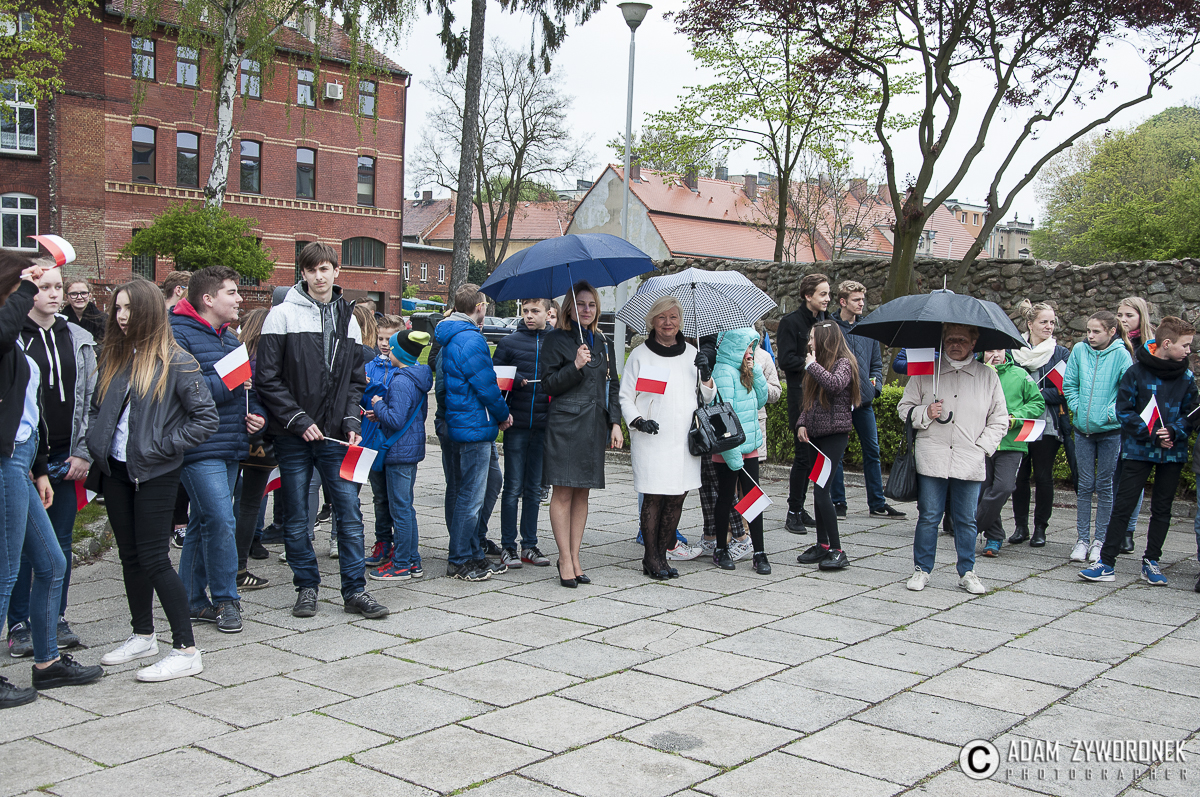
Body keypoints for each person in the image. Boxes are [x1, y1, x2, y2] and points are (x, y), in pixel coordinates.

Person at [89, 278, 218, 681]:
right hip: (116, 470)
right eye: (117, 308)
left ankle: (186, 649)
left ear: (148, 310)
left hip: (156, 472)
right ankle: (143, 635)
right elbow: (97, 409)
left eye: (129, 308)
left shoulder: (177, 361)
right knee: (130, 557)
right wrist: (95, 442)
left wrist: (163, 447)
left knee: (154, 559)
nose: (121, 316)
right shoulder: (115, 356)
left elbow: (205, 419)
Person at [255, 242, 388, 620]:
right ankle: (306, 587)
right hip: (293, 436)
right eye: (311, 269)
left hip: (335, 437)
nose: (318, 276)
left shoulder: (348, 318)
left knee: (349, 513)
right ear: (302, 273)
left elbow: (355, 380)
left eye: (325, 268)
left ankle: (355, 590)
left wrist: (350, 421)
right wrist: (298, 420)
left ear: (336, 271)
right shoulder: (281, 315)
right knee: (298, 517)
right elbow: (267, 378)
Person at [0, 254, 103, 708]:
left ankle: (47, 663)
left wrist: (39, 466)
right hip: (5, 461)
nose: (50, 292)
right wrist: (25, 285)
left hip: (23, 459)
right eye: (37, 287)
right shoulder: (9, 334)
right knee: (7, 572)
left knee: (52, 562)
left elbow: (30, 411)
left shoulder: (50, 339)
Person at [170, 267, 264, 635]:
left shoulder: (229, 338)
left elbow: (246, 389)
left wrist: (255, 415)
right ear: (208, 299)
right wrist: (235, 379)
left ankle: (191, 601)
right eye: (232, 292)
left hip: (228, 443)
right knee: (222, 520)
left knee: (203, 522)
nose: (240, 299)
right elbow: (187, 391)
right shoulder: (177, 334)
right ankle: (227, 599)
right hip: (197, 446)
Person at [1080, 317, 1196, 586]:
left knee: (1162, 509)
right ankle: (1106, 562)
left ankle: (1152, 561)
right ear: (1167, 344)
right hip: (1139, 449)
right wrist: (1153, 434)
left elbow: (1192, 411)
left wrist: (1174, 431)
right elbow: (1124, 410)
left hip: (1172, 451)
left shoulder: (1187, 376)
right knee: (1124, 505)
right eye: (1185, 345)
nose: (1189, 350)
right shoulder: (1137, 372)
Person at [897, 324, 1009, 595]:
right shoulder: (927, 372)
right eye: (949, 340)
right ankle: (922, 569)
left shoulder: (987, 376)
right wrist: (925, 412)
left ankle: (967, 571)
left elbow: (999, 418)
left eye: (961, 340)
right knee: (929, 516)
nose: (955, 345)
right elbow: (904, 408)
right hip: (932, 455)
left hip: (969, 457)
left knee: (966, 519)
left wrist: (982, 447)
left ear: (973, 343)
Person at [620, 298, 715, 579]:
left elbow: (707, 397)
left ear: (680, 321)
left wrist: (706, 374)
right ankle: (651, 557)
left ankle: (663, 555)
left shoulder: (692, 354)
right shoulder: (640, 355)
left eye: (673, 317)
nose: (668, 323)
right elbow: (625, 396)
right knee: (654, 496)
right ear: (652, 321)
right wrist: (638, 420)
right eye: (661, 317)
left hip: (684, 440)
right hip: (652, 437)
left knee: (676, 497)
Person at [542, 281, 622, 587]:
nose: (586, 310)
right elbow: (548, 384)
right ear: (569, 308)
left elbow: (612, 384)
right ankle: (564, 558)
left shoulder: (602, 341)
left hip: (593, 425)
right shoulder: (555, 339)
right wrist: (575, 365)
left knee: (583, 492)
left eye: (591, 305)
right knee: (563, 491)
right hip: (565, 425)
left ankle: (576, 557)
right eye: (580, 304)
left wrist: (615, 422)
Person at [434, 284, 513, 582]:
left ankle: (471, 551)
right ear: (480, 307)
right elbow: (486, 386)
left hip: (460, 422)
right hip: (474, 426)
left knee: (467, 490)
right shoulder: (471, 339)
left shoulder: (451, 335)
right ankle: (460, 559)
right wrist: (503, 415)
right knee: (470, 496)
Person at [830, 280, 905, 519]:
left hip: (864, 402)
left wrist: (876, 388)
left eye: (862, 299)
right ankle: (838, 503)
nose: (861, 303)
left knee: (872, 451)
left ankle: (877, 503)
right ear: (843, 301)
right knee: (837, 453)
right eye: (856, 300)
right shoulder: (830, 328)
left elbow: (876, 363)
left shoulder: (868, 328)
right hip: (838, 401)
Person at [1063, 311, 1131, 563]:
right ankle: (1082, 540)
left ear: (1111, 331)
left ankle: (1100, 541)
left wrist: (1109, 414)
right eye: (1088, 331)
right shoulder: (1079, 351)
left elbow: (1127, 393)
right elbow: (1070, 384)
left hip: (1110, 432)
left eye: (1096, 331)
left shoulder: (1122, 355)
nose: (1090, 336)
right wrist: (1079, 408)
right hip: (1083, 431)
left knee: (1105, 486)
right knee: (1084, 485)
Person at [492, 298, 554, 569]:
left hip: (543, 424)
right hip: (515, 424)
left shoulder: (557, 341)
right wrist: (514, 381)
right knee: (513, 487)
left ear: (547, 313)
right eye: (525, 311)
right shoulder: (509, 342)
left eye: (535, 311)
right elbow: (494, 379)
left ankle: (529, 544)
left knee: (534, 489)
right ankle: (508, 545)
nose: (529, 316)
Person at [368, 330, 433, 581]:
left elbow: (396, 420)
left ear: (400, 353)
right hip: (409, 448)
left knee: (400, 509)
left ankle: (402, 563)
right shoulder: (417, 376)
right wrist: (382, 412)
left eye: (392, 348)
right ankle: (413, 560)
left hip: (399, 452)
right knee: (406, 507)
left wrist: (377, 404)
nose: (388, 351)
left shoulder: (401, 381)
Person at [794, 321, 860, 570]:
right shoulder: (817, 364)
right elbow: (809, 399)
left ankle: (837, 549)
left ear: (825, 339)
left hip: (834, 436)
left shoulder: (844, 363)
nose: (809, 343)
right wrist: (802, 422)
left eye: (813, 338)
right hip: (816, 436)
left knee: (823, 492)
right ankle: (822, 545)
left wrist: (813, 366)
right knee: (817, 491)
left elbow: (834, 385)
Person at [1009, 301, 1071, 548]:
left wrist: (1037, 395)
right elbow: (1010, 387)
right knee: (1020, 477)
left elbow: (1064, 390)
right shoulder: (1015, 352)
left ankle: (1040, 529)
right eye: (1043, 322)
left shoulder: (1060, 354)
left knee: (1044, 477)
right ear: (1030, 324)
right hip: (1021, 422)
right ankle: (1020, 527)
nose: (1049, 326)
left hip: (1047, 423)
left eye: (1052, 322)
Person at [709, 328, 769, 572]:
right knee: (725, 498)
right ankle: (721, 549)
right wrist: (734, 457)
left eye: (753, 347)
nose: (750, 352)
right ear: (735, 347)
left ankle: (760, 552)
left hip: (749, 446)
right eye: (747, 347)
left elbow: (760, 400)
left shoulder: (745, 369)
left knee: (753, 499)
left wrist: (756, 372)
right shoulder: (723, 371)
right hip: (729, 448)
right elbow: (723, 417)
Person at [976, 350, 1045, 557]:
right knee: (982, 490)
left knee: (1003, 488)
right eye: (990, 350)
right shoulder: (975, 373)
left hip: (1012, 443)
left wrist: (1015, 417)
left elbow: (1037, 403)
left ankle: (972, 526)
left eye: (999, 349)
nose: (995, 354)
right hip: (980, 441)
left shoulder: (1020, 374)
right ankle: (994, 536)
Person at [777, 273, 831, 533]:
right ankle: (793, 511)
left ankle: (802, 506)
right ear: (808, 296)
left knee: (817, 457)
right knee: (802, 456)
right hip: (801, 397)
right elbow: (785, 360)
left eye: (829, 294)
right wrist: (811, 363)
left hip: (823, 395)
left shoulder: (827, 322)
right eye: (823, 294)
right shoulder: (791, 322)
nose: (827, 298)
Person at [230, 307, 271, 588]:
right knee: (249, 504)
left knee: (225, 501)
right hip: (260, 436)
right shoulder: (269, 360)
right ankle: (239, 567)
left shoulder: (236, 354)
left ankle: (222, 563)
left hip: (230, 436)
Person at [1112, 296, 1156, 554]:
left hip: (1136, 419)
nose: (1123, 320)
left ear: (1141, 317)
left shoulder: (1149, 347)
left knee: (1132, 478)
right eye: (1120, 315)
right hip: (1113, 418)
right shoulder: (1113, 343)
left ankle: (1128, 530)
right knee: (1113, 477)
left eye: (1129, 315)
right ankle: (1113, 528)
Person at [362, 315, 406, 569]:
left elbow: (395, 400)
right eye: (380, 338)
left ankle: (401, 543)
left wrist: (374, 390)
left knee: (398, 498)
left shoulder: (403, 369)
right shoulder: (370, 366)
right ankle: (382, 541)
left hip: (396, 441)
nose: (384, 344)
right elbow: (361, 397)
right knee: (379, 496)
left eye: (389, 339)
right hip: (372, 438)